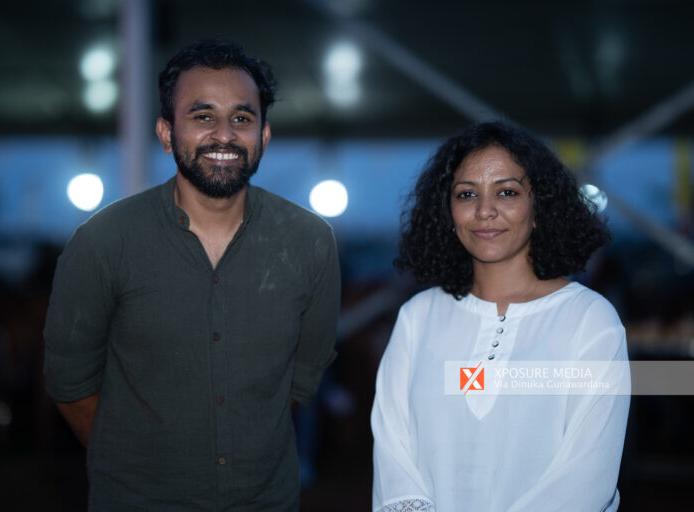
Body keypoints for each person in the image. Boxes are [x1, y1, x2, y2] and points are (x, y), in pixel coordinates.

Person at [44, 39, 340, 511]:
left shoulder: (311, 243)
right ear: (166, 134)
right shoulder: (103, 242)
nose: (224, 135)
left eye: (242, 118)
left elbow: (299, 382)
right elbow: (70, 384)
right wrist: (137, 466)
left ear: (263, 136)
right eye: (203, 116)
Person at [371, 121, 630, 512]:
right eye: (466, 194)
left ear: (539, 207)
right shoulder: (417, 318)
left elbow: (587, 474)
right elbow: (394, 453)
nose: (484, 210)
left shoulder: (589, 320)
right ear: (448, 212)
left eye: (507, 192)